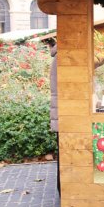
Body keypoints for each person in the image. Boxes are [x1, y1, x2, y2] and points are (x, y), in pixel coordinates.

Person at [49, 43, 60, 195]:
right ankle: (63, 192)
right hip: (63, 114)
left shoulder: (58, 57)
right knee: (64, 157)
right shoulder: (61, 59)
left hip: (61, 113)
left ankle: (63, 191)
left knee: (63, 157)